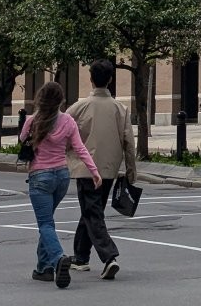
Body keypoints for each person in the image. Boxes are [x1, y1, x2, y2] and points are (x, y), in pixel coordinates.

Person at [19, 81, 101, 288]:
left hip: (40, 177)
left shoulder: (32, 121)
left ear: (40, 99)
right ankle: (43, 268)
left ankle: (57, 260)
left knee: (45, 224)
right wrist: (94, 172)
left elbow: (21, 140)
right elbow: (81, 149)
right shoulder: (68, 121)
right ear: (61, 100)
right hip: (62, 177)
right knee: (48, 222)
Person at [66, 60, 137, 280]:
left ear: (90, 79)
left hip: (85, 169)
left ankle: (109, 257)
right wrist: (131, 170)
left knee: (91, 211)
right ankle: (80, 257)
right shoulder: (120, 109)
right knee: (91, 210)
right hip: (109, 169)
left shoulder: (78, 108)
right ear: (110, 80)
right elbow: (129, 142)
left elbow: (63, 133)